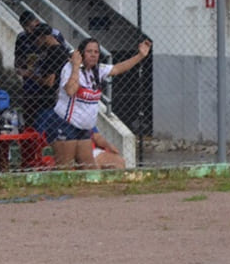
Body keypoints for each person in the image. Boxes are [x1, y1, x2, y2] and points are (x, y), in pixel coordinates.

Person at [48, 37, 152, 168]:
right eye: (89, 51)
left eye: (96, 52)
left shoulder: (97, 70)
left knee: (90, 170)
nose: (93, 55)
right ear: (80, 54)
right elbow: (70, 90)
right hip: (66, 124)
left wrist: (140, 55)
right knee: (65, 169)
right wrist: (75, 66)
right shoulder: (69, 68)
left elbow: (118, 68)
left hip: (84, 128)